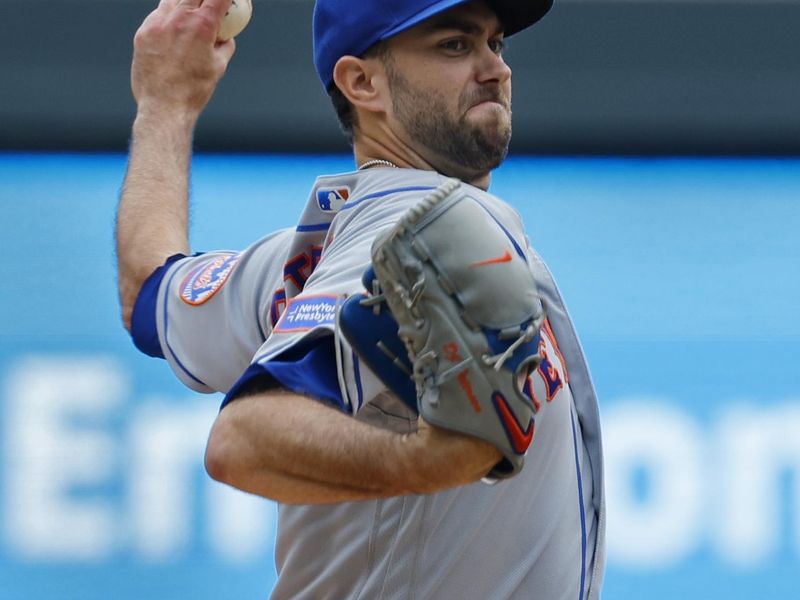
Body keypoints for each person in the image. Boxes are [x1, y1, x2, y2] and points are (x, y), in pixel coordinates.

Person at [116, 0, 606, 597]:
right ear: (361, 82)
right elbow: (241, 439)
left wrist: (166, 103)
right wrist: (428, 461)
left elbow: (149, 293)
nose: (493, 69)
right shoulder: (419, 228)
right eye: (454, 45)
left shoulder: (316, 249)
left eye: (494, 44)